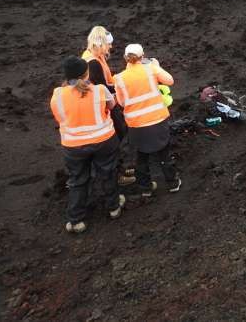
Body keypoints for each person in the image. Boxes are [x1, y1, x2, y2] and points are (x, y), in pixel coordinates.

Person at [50, 56, 125, 234]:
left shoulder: (57, 95)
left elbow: (60, 118)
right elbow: (112, 106)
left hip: (74, 146)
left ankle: (76, 219)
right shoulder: (99, 90)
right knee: (108, 172)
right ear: (86, 73)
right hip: (104, 141)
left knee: (77, 180)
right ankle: (113, 207)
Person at [114, 44, 181, 196]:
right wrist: (157, 66)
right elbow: (169, 81)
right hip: (157, 119)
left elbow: (122, 102)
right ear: (142, 56)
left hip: (136, 125)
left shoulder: (119, 78)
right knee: (164, 153)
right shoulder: (150, 68)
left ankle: (146, 189)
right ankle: (173, 183)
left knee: (141, 157)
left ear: (126, 58)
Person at [82, 26, 135, 186]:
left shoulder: (94, 57)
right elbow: (102, 87)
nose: (111, 47)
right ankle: (116, 175)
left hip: (104, 105)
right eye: (109, 44)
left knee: (118, 135)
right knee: (114, 139)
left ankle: (119, 169)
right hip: (103, 108)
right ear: (101, 43)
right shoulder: (93, 63)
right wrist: (125, 85)